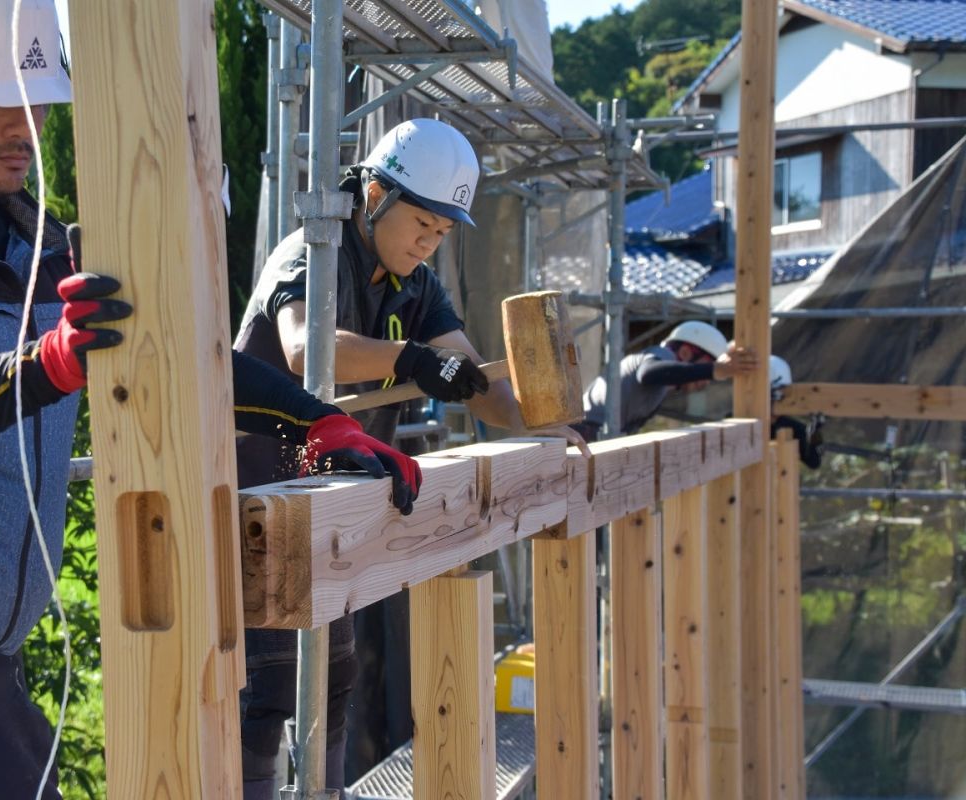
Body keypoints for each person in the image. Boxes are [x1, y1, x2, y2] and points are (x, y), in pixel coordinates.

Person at [0, 2, 420, 797]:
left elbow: (171, 357)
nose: (27, 126)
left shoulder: (29, 236)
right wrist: (48, 364)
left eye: (36, 101)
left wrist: (315, 419)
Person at [233, 117, 590, 797]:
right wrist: (412, 360)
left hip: (337, 498)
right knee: (272, 685)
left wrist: (536, 427)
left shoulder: (417, 284)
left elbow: (470, 378)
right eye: (421, 223)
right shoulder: (315, 249)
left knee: (334, 678)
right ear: (374, 195)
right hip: (260, 492)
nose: (428, 241)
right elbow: (309, 350)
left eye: (442, 232)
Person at [576, 320, 758, 441]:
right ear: (685, 353)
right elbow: (649, 373)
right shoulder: (661, 355)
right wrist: (714, 370)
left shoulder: (663, 380)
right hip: (583, 433)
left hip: (589, 435)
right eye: (706, 364)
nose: (705, 382)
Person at [769, 354, 824, 468]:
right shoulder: (739, 423)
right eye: (774, 395)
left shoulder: (793, 428)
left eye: (781, 395)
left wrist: (814, 437)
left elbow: (814, 462)